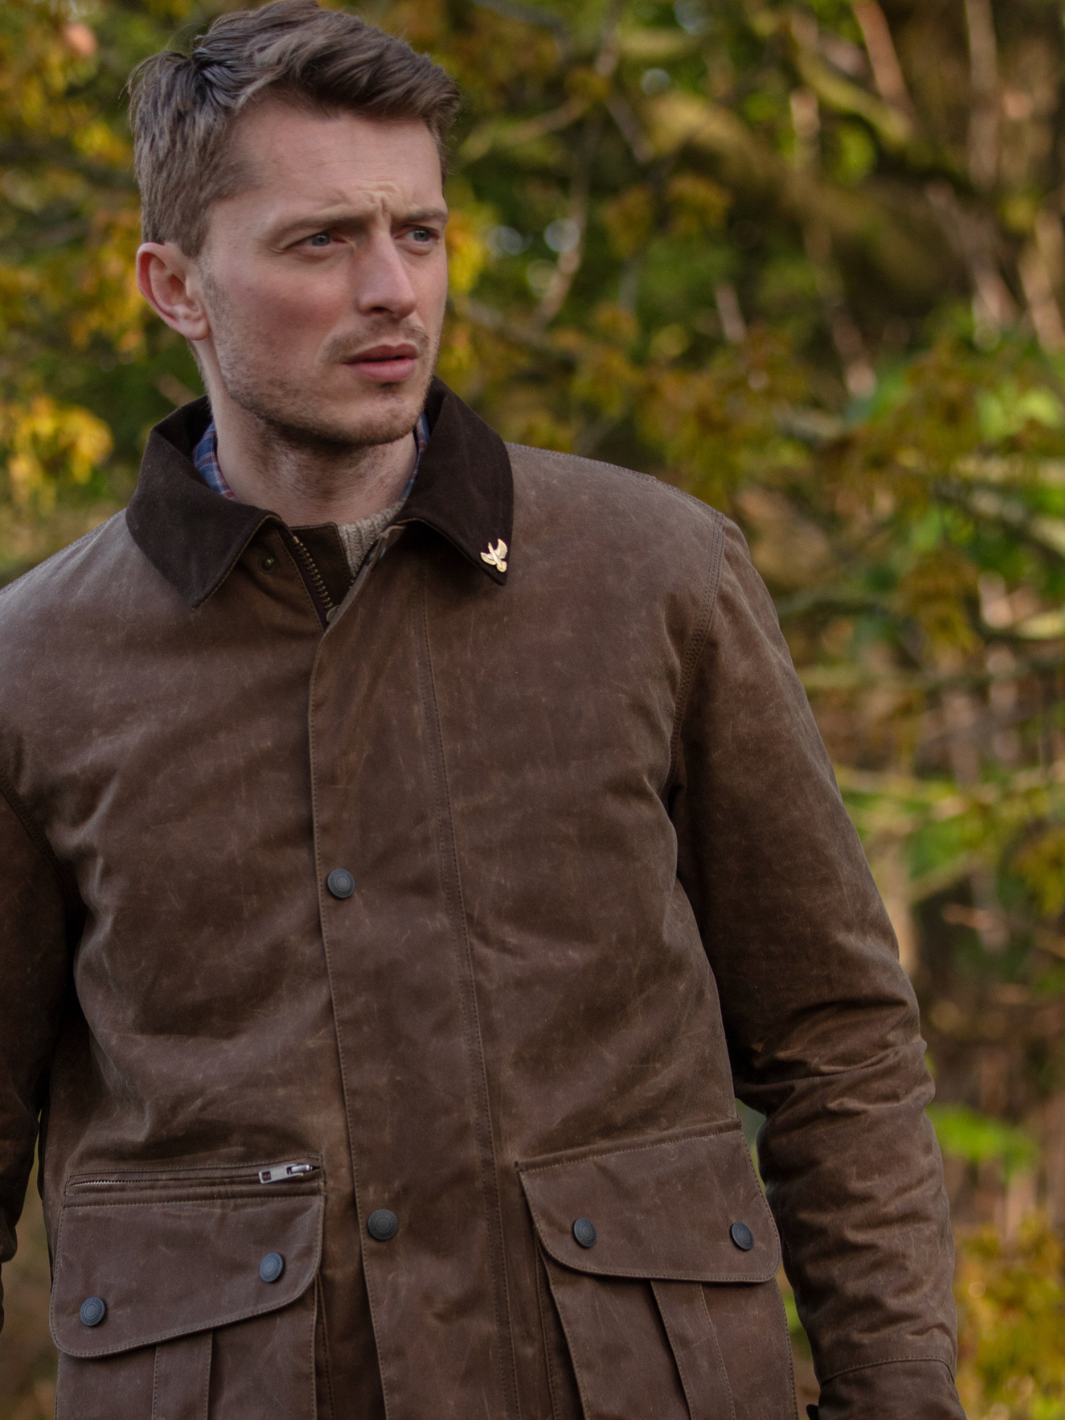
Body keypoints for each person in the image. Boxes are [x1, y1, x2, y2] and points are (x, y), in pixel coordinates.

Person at [0, 4, 964, 1417]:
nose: (393, 289)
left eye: (421, 232)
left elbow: (837, 1042)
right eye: (321, 241)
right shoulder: (38, 668)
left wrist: (896, 1398)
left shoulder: (656, 577)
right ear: (175, 286)